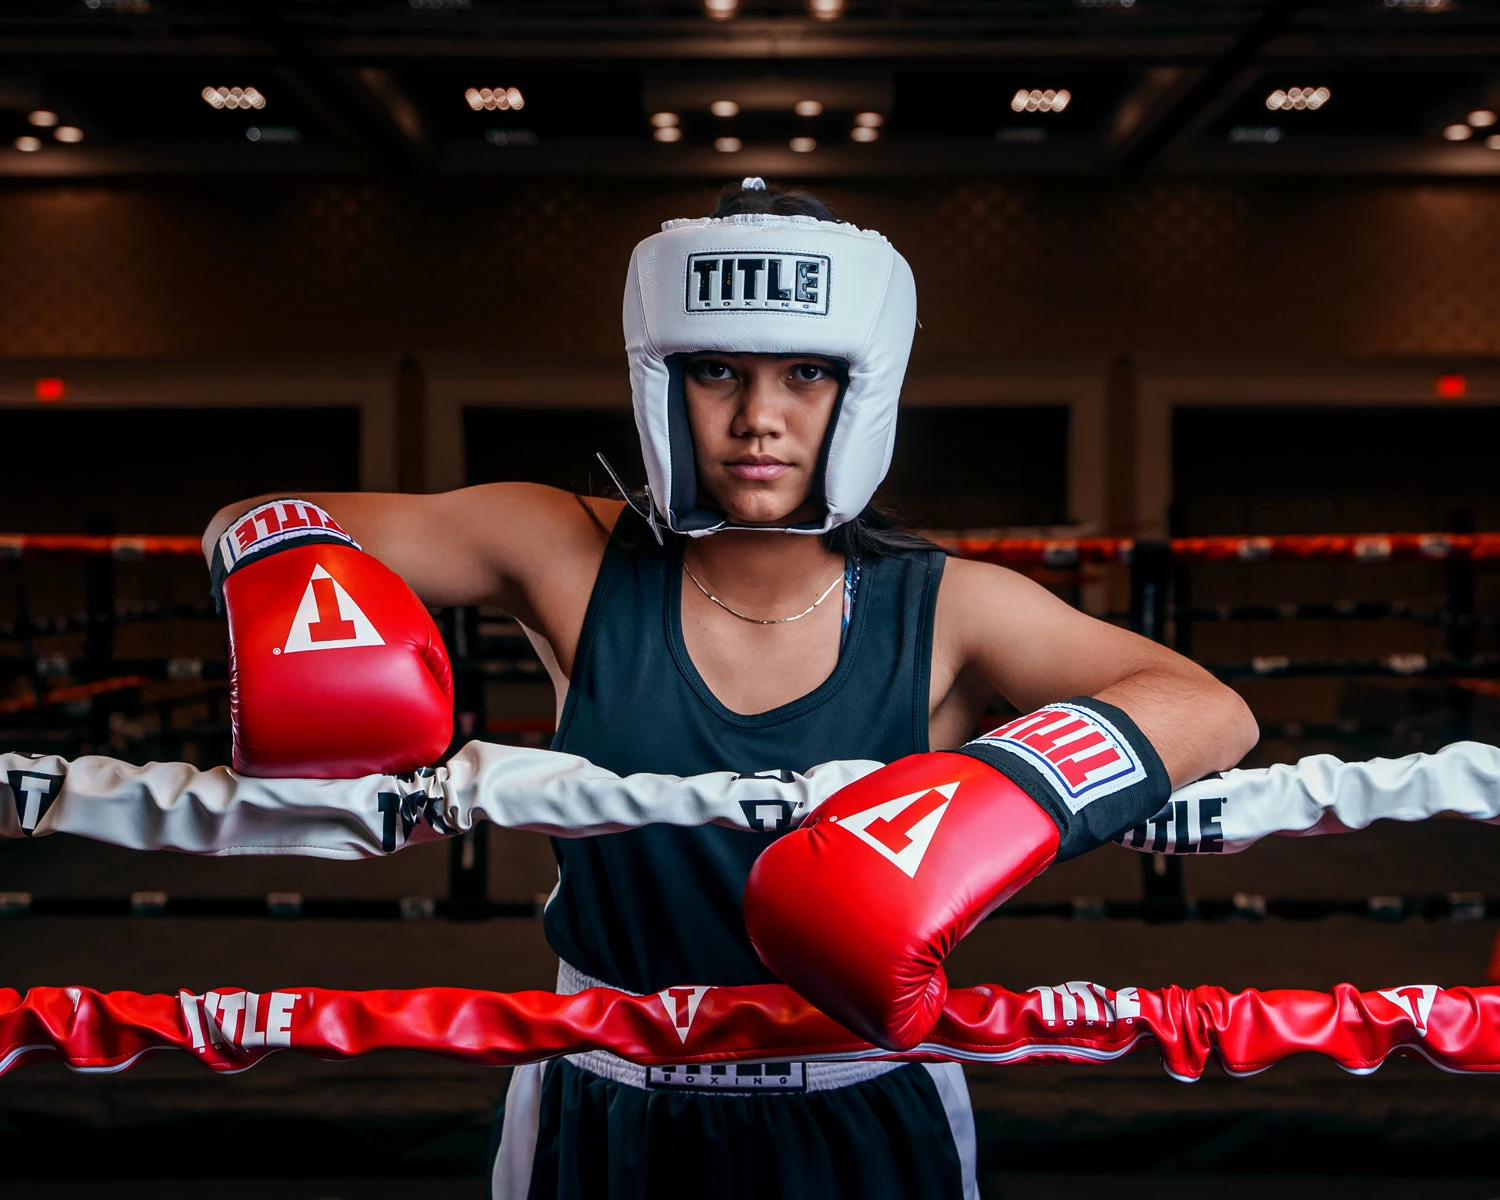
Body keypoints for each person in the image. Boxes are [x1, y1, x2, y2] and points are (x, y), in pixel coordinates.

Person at [201, 178, 1258, 1199]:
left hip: (865, 1092)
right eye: (717, 371)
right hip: (605, 1081)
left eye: (806, 373)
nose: (760, 418)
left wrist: (1015, 787)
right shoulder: (562, 550)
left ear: (863, 389)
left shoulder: (949, 606)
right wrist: (296, 597)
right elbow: (259, 518)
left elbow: (1209, 706)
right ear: (662, 380)